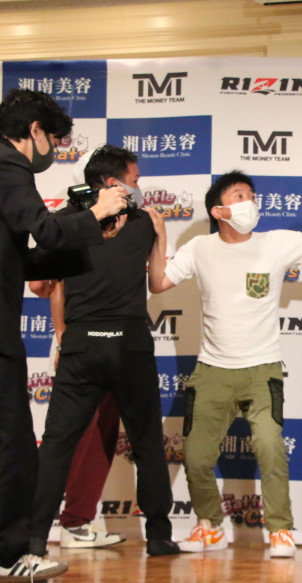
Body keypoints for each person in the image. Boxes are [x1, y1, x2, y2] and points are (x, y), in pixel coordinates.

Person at [147, 171, 302, 558]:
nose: (250, 203)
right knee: (196, 456)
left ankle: (281, 530)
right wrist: (160, 238)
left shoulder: (275, 244)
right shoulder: (200, 248)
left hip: (262, 371)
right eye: (240, 196)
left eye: (252, 196)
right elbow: (157, 283)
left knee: (271, 448)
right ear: (219, 210)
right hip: (211, 371)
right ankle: (209, 527)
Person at [29, 144, 181, 559]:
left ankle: (34, 540)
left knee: (57, 444)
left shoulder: (64, 222)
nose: (139, 187)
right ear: (113, 182)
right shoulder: (144, 221)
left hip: (80, 344)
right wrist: (161, 236)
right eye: (134, 180)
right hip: (129, 343)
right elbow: (157, 282)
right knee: (147, 442)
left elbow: (39, 283)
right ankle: (160, 536)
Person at [0, 89, 127, 580]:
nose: (54, 150)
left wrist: (91, 235)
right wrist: (95, 212)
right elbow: (46, 231)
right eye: (53, 139)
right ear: (34, 131)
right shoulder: (9, 165)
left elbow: (27, 261)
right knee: (14, 449)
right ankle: (11, 556)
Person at [27, 279, 125, 551]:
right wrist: (62, 338)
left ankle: (75, 522)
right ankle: (36, 527)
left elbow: (39, 286)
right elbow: (39, 285)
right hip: (81, 346)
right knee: (71, 439)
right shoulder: (74, 247)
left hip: (109, 346)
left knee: (99, 436)